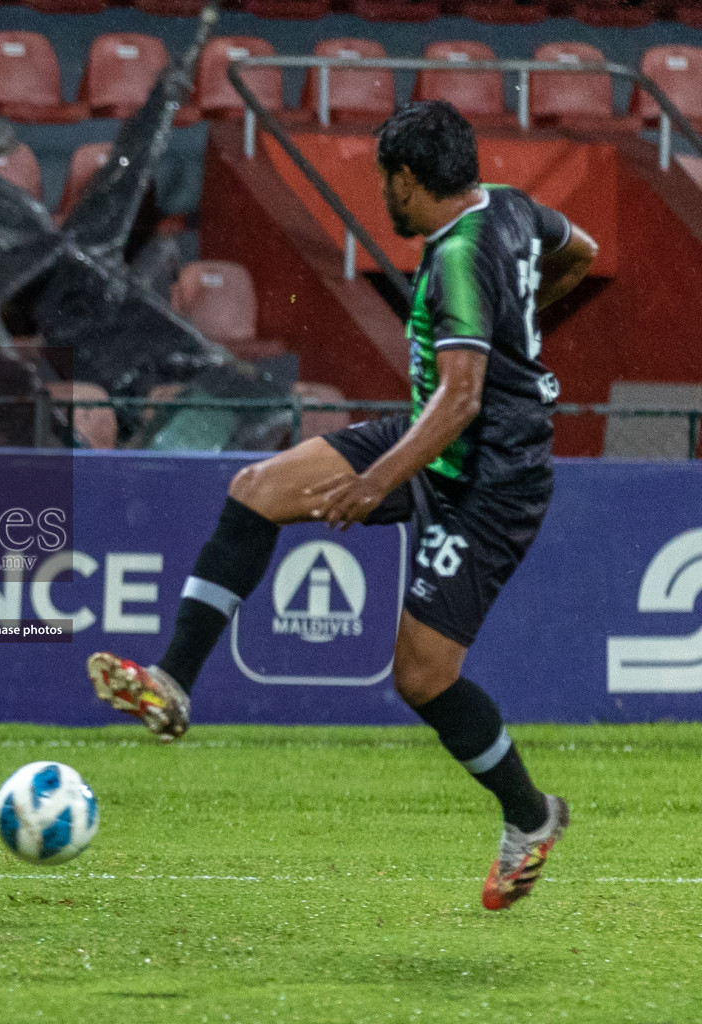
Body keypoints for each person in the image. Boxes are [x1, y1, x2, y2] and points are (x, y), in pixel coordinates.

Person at [87, 101, 597, 911]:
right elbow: (582, 252)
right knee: (256, 490)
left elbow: (462, 399)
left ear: (407, 178)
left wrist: (374, 482)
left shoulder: (457, 259)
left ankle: (532, 819)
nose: (382, 198)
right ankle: (173, 683)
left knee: (424, 678)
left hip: (488, 481)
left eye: (383, 181)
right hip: (439, 439)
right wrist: (523, 340)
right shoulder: (508, 204)